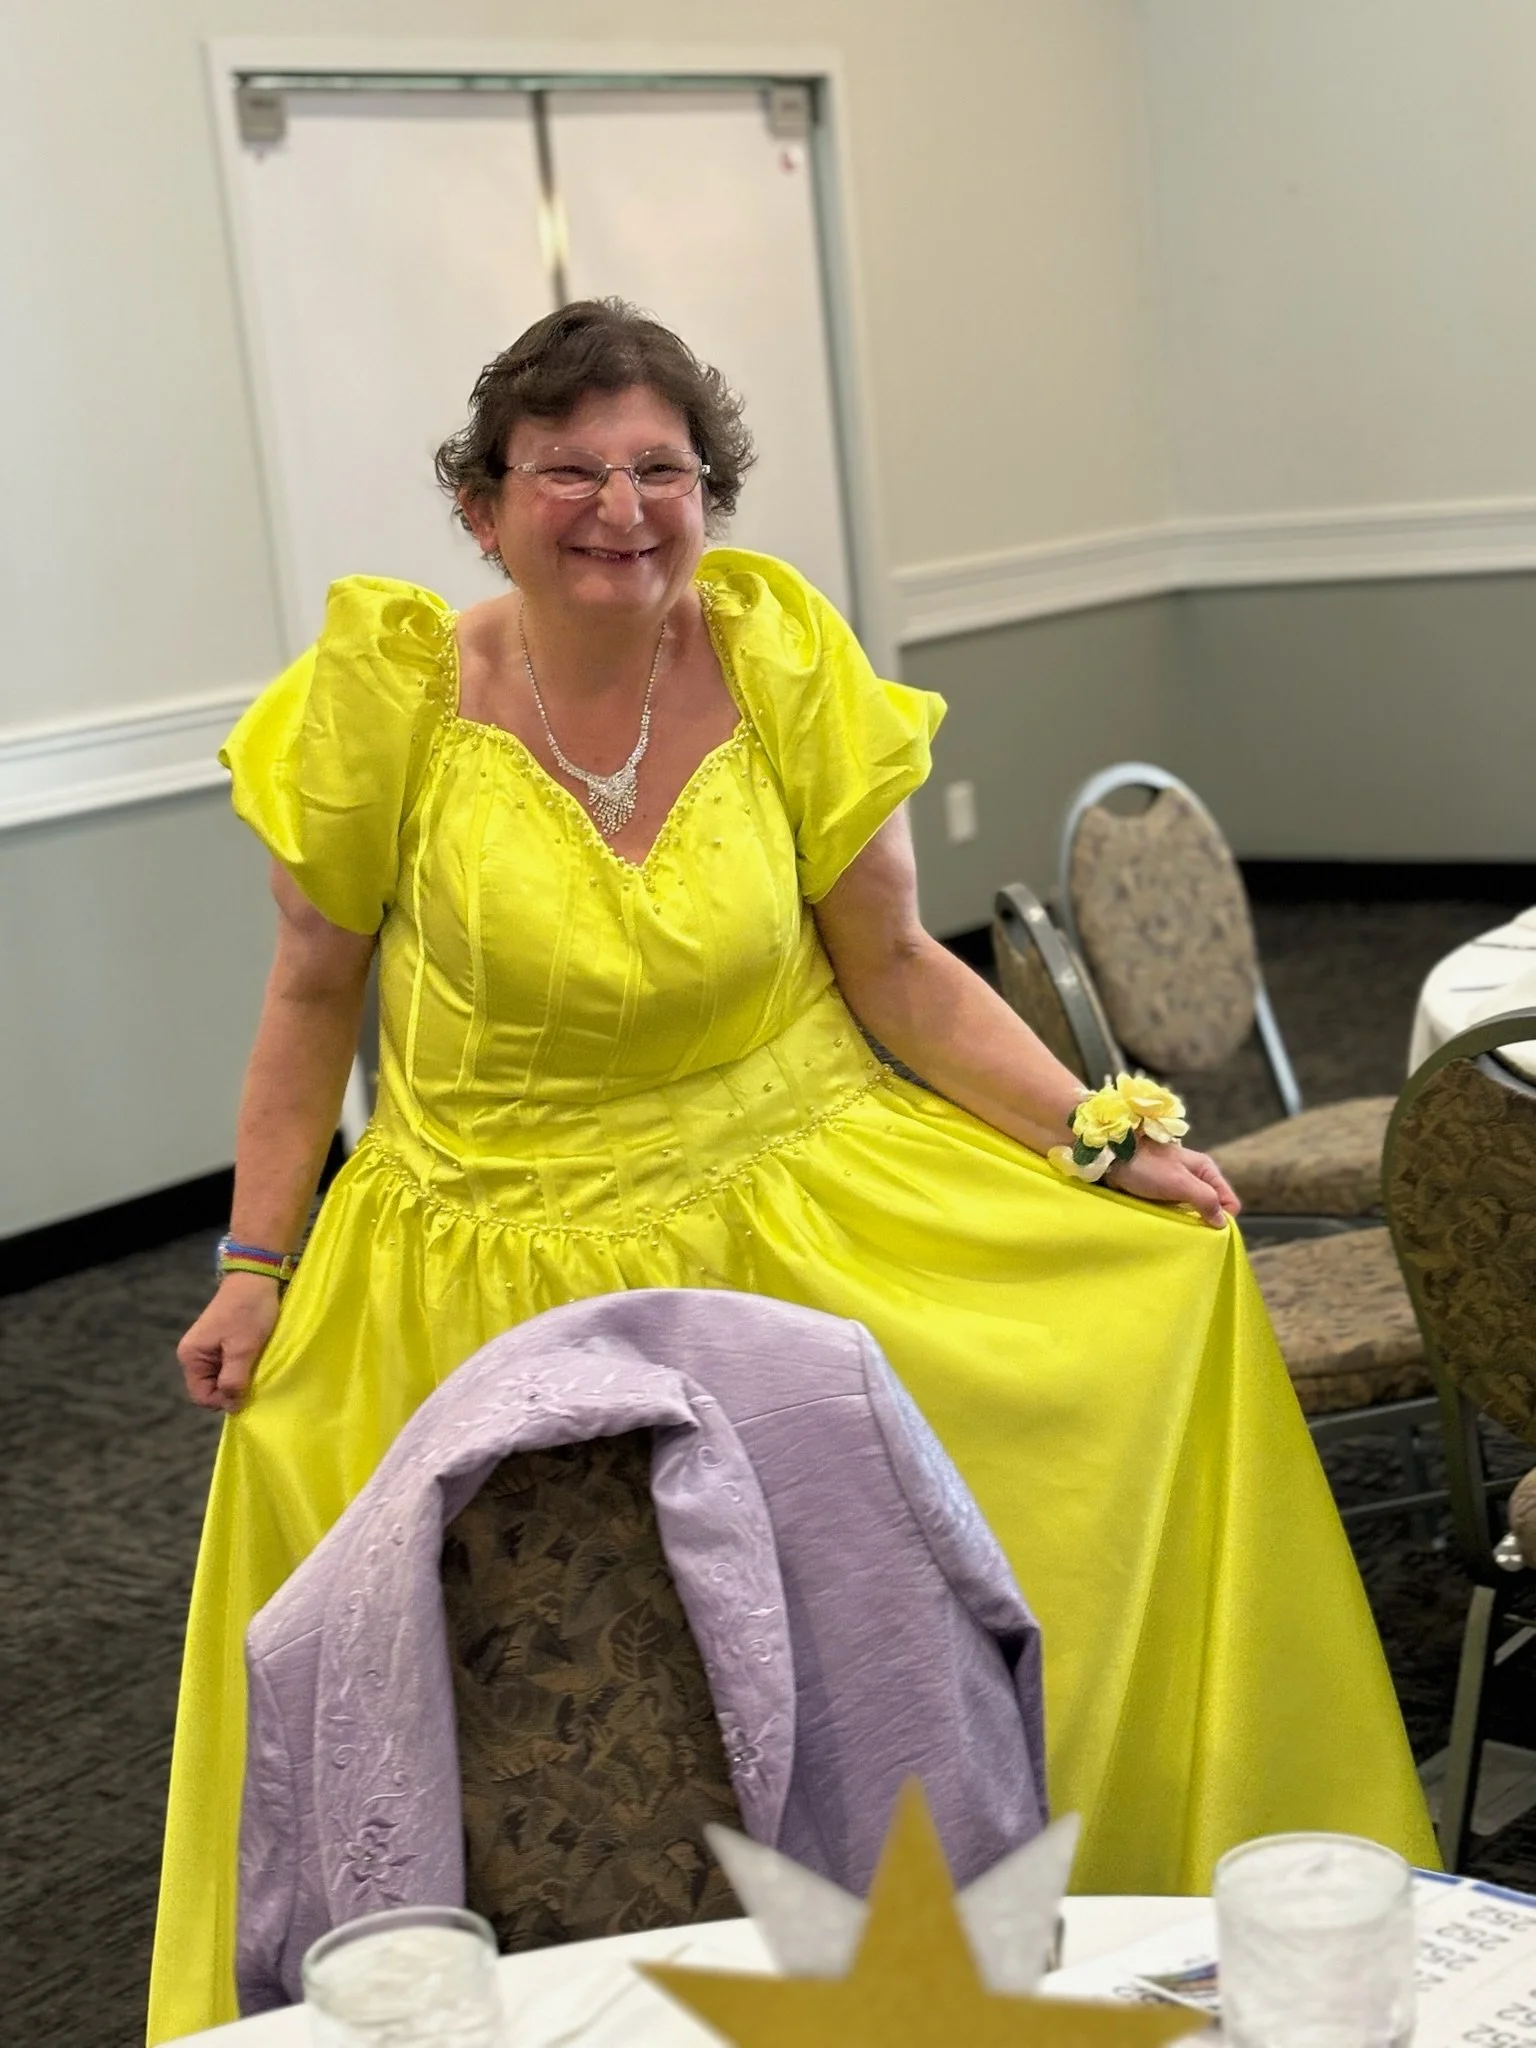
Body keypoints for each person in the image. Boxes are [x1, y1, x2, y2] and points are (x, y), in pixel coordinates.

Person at [151, 300, 1434, 2041]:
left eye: (661, 468)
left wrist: (1094, 1135)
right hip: (484, 1240)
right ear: (482, 504)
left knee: (936, 1572)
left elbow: (900, 965)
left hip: (805, 1183)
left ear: (709, 490)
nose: (620, 507)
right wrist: (254, 1260)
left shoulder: (774, 655)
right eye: (569, 472)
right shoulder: (385, 701)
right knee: (551, 1676)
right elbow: (310, 997)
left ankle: (1047, 1930)